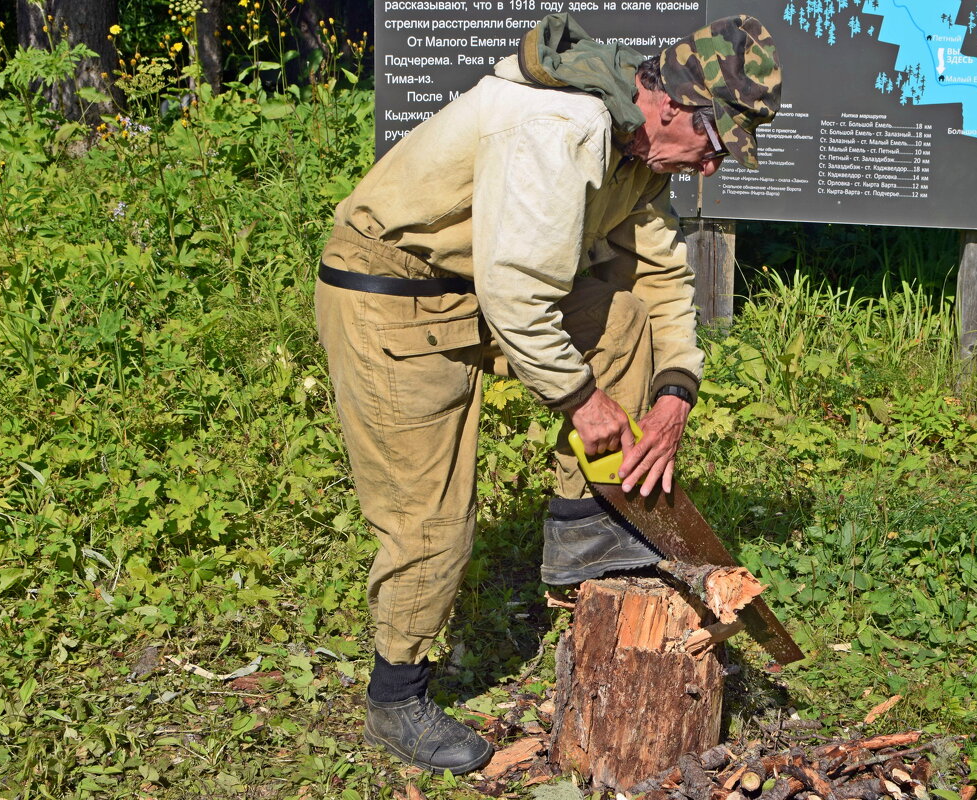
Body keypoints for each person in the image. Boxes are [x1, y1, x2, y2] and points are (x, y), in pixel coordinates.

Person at [315, 13, 781, 775]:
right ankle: (396, 696)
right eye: (716, 144)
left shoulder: (641, 149)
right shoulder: (561, 126)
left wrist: (675, 393)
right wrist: (581, 401)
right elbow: (518, 296)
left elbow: (658, 279)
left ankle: (583, 529)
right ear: (675, 108)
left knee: (624, 320)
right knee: (432, 520)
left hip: (489, 290)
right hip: (391, 293)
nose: (709, 169)